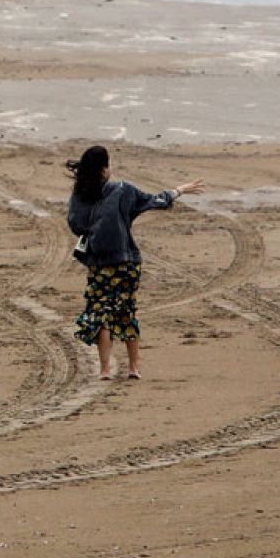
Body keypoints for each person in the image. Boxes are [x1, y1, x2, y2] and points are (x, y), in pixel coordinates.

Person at [66, 145, 204, 381]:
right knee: (126, 311)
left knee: (101, 314)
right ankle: (133, 368)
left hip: (99, 264)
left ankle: (105, 370)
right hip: (126, 262)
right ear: (104, 169)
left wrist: (95, 232)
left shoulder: (79, 196)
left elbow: (74, 224)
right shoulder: (122, 190)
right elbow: (154, 201)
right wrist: (179, 190)